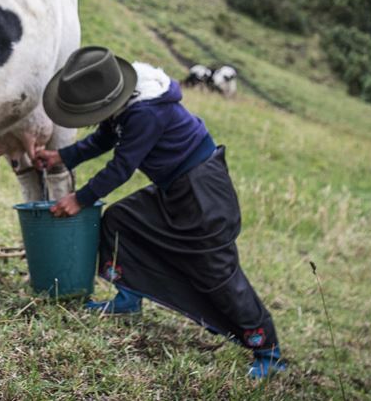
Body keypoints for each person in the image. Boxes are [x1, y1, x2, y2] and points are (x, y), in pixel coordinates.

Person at [33, 46, 286, 379]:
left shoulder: (145, 112)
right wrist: (63, 157)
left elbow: (122, 166)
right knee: (120, 220)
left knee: (216, 270)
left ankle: (267, 349)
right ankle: (128, 297)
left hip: (202, 191)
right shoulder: (126, 103)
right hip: (175, 186)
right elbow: (104, 140)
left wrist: (80, 198)